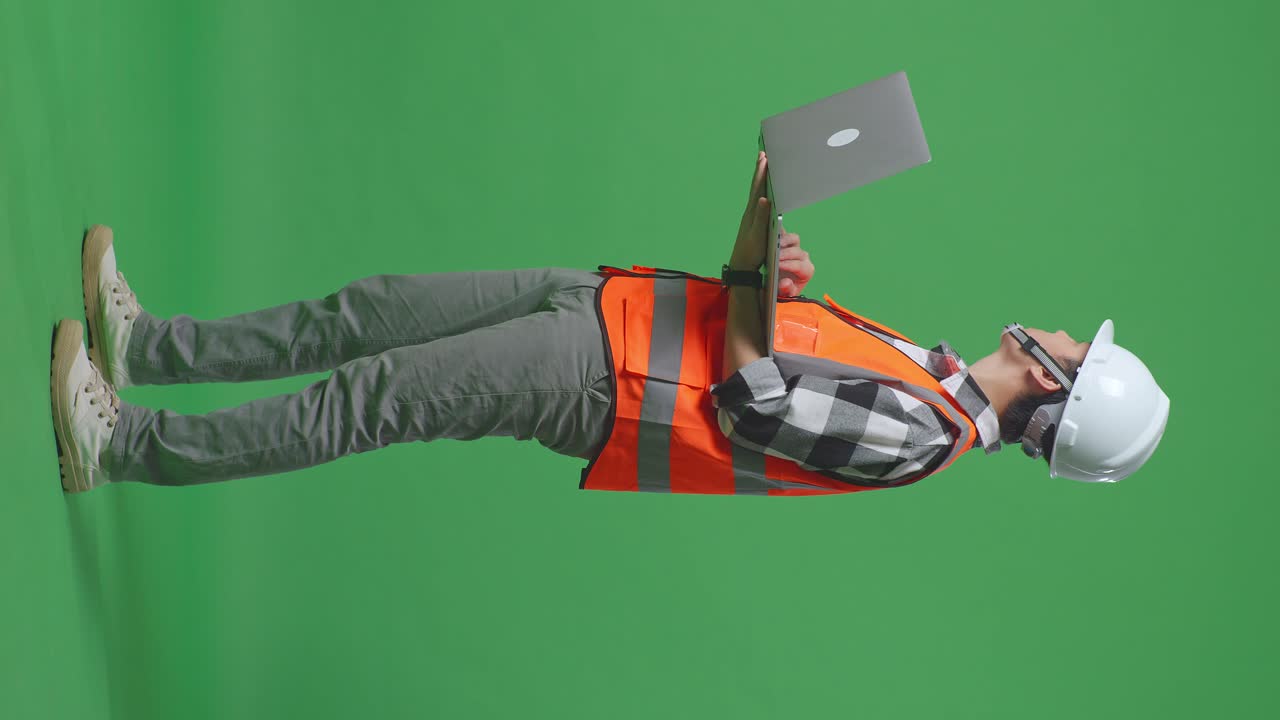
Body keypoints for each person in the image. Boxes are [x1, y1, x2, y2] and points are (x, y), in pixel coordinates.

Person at [50, 151, 1169, 495]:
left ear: (1059, 391)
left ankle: (125, 445)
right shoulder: (920, 368)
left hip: (599, 382)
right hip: (611, 309)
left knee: (369, 399)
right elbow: (766, 344)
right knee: (373, 312)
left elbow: (751, 399)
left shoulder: (920, 436)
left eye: (1077, 351)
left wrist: (752, 239)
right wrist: (768, 271)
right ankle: (151, 349)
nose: (1066, 333)